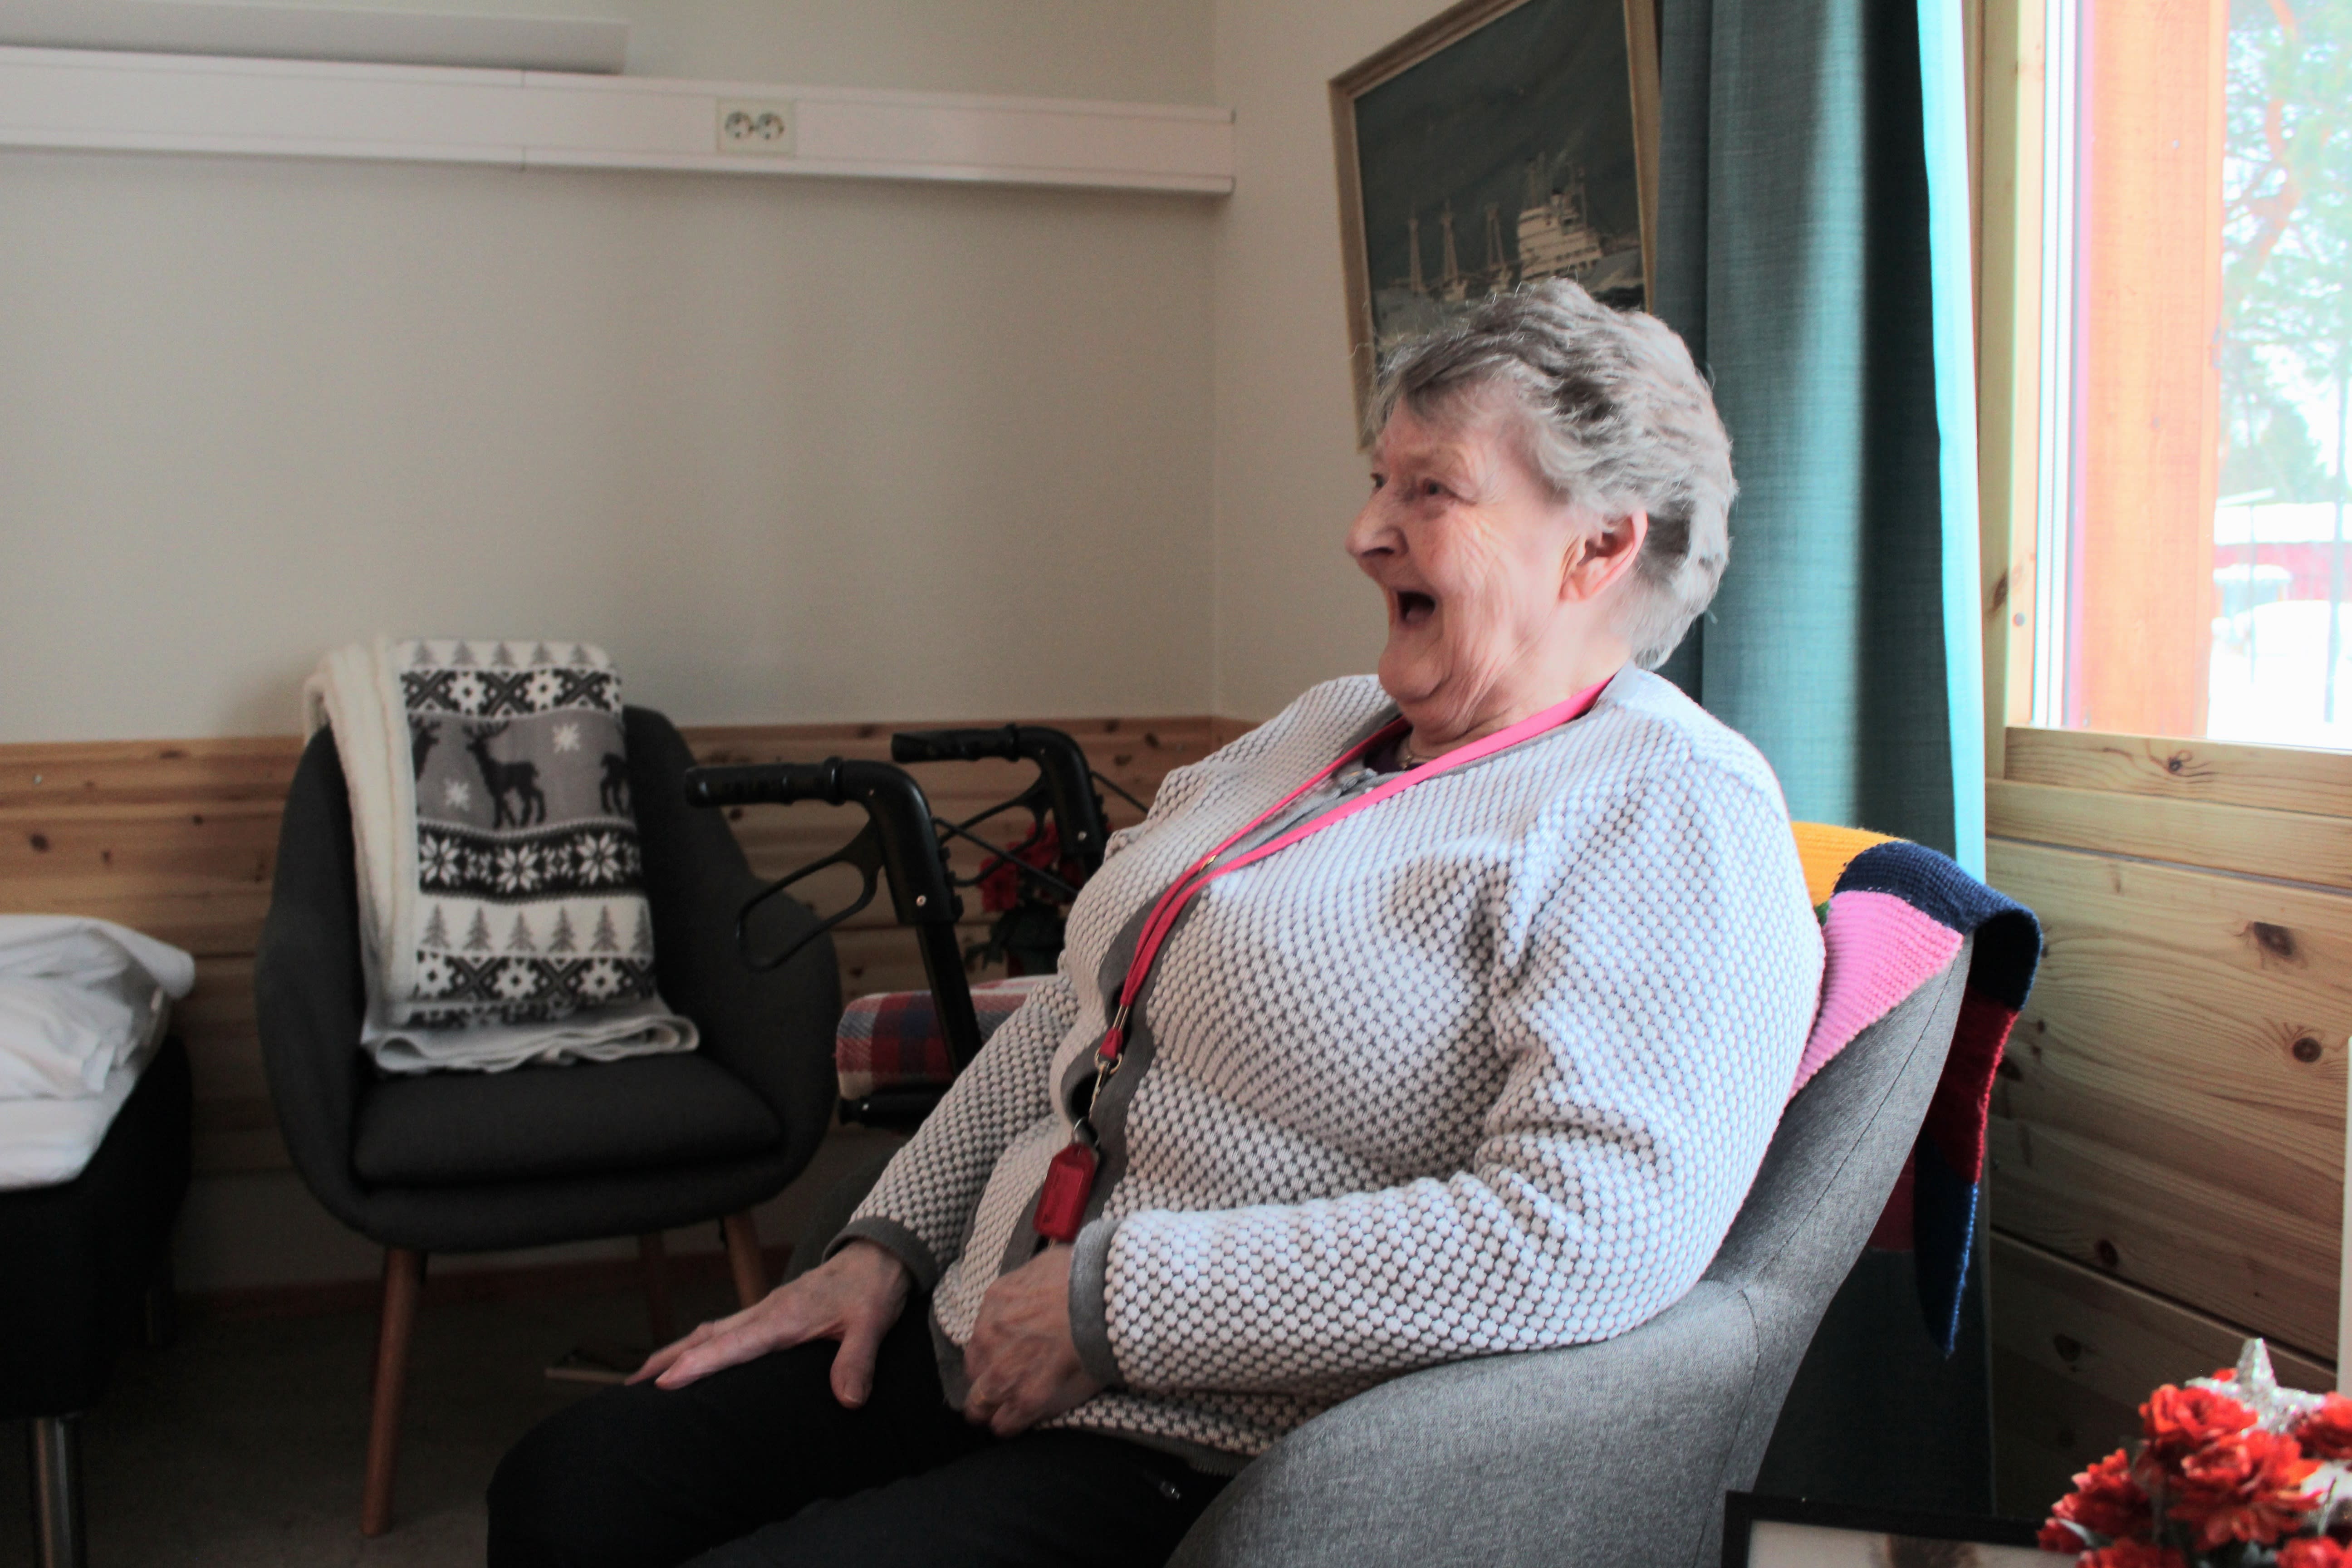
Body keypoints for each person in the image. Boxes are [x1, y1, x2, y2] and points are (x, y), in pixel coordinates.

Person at [487, 279, 1825, 1568]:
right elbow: (1083, 1014)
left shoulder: (1672, 808)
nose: (1365, 531)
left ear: (1600, 547)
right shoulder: (1327, 722)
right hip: (977, 1330)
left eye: (1432, 490)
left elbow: (1586, 1230)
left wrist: (1115, 1306)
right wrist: (883, 1249)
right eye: (1379, 480)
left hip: (1205, 1438)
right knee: (566, 1491)